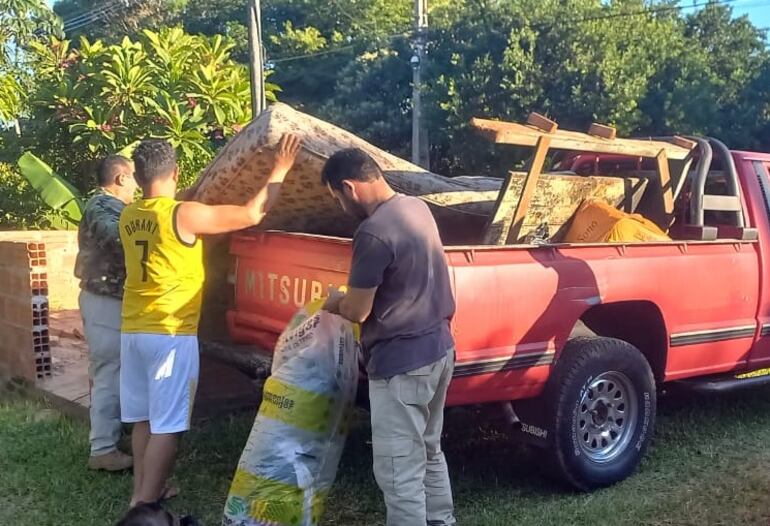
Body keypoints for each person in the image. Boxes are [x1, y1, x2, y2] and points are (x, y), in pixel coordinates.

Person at [119, 134, 301, 507]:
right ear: (175, 171)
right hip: (170, 333)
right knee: (169, 426)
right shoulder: (183, 214)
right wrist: (280, 168)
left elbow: (166, 207)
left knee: (144, 420)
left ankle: (141, 492)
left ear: (137, 179)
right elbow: (253, 213)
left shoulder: (129, 215)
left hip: (134, 329)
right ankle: (145, 507)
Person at [320, 148, 457, 526]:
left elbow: (358, 311)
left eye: (338, 197)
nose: (342, 206)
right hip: (440, 350)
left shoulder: (374, 232)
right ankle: (442, 521)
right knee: (429, 451)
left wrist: (335, 302)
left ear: (350, 187)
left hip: (402, 366)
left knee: (400, 474)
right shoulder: (416, 208)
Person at [75, 154, 138, 471]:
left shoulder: (115, 208)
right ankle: (102, 450)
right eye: (134, 177)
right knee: (109, 373)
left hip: (112, 299)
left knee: (112, 370)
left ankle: (112, 436)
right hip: (104, 299)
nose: (138, 184)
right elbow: (119, 239)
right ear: (121, 178)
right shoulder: (101, 206)